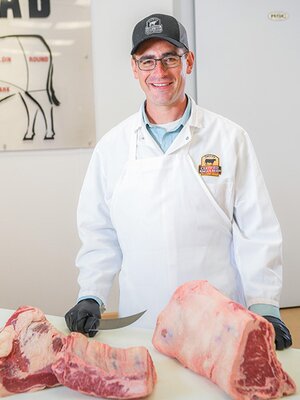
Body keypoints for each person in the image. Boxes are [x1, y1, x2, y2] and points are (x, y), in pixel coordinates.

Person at [65, 13, 292, 349]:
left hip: (219, 315)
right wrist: (91, 295)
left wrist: (266, 306)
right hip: (142, 319)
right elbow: (100, 232)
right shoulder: (112, 147)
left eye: (170, 58)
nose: (159, 72)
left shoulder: (230, 139)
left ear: (189, 61)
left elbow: (256, 229)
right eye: (148, 61)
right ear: (134, 67)